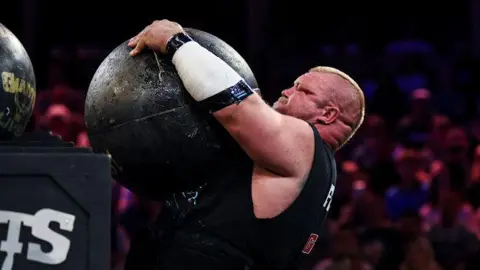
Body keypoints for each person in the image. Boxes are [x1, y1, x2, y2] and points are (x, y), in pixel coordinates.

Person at [125, 20, 365, 270]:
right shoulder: (317, 172)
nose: (286, 91)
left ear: (328, 115)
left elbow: (233, 105)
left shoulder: (304, 141)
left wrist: (176, 42)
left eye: (302, 90)